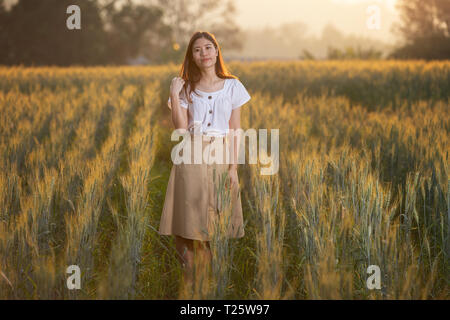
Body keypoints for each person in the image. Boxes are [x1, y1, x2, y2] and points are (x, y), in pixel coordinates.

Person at [158, 31, 251, 292]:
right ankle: (189, 276)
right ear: (192, 56)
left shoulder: (233, 86)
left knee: (213, 222)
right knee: (186, 220)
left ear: (217, 51)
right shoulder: (186, 87)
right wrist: (174, 95)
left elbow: (235, 130)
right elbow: (179, 127)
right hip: (191, 153)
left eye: (208, 48)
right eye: (198, 50)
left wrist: (233, 168)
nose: (204, 53)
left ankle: (205, 283)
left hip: (220, 155)